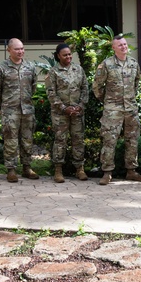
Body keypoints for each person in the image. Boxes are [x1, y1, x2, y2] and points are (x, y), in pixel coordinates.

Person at [93, 34, 141, 185]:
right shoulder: (106, 64)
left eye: (125, 44)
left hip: (130, 109)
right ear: (113, 48)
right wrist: (107, 101)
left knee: (132, 140)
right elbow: (97, 86)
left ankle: (131, 171)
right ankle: (107, 172)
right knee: (109, 141)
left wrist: (130, 99)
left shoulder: (133, 63)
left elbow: (136, 83)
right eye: (120, 45)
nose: (124, 47)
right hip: (112, 109)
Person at [0, 38, 39, 183]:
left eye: (22, 48)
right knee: (10, 140)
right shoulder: (0, 68)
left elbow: (33, 87)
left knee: (27, 139)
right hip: (10, 111)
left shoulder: (30, 67)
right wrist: (5, 104)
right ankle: (11, 170)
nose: (20, 51)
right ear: (9, 50)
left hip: (27, 110)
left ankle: (27, 167)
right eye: (17, 49)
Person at [45, 43, 89, 183]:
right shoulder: (53, 72)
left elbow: (85, 88)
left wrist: (81, 106)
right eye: (65, 55)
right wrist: (64, 108)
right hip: (60, 114)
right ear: (58, 56)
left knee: (78, 139)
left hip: (77, 113)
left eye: (70, 54)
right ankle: (58, 170)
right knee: (60, 140)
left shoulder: (78, 69)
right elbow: (51, 93)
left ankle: (79, 169)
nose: (68, 57)